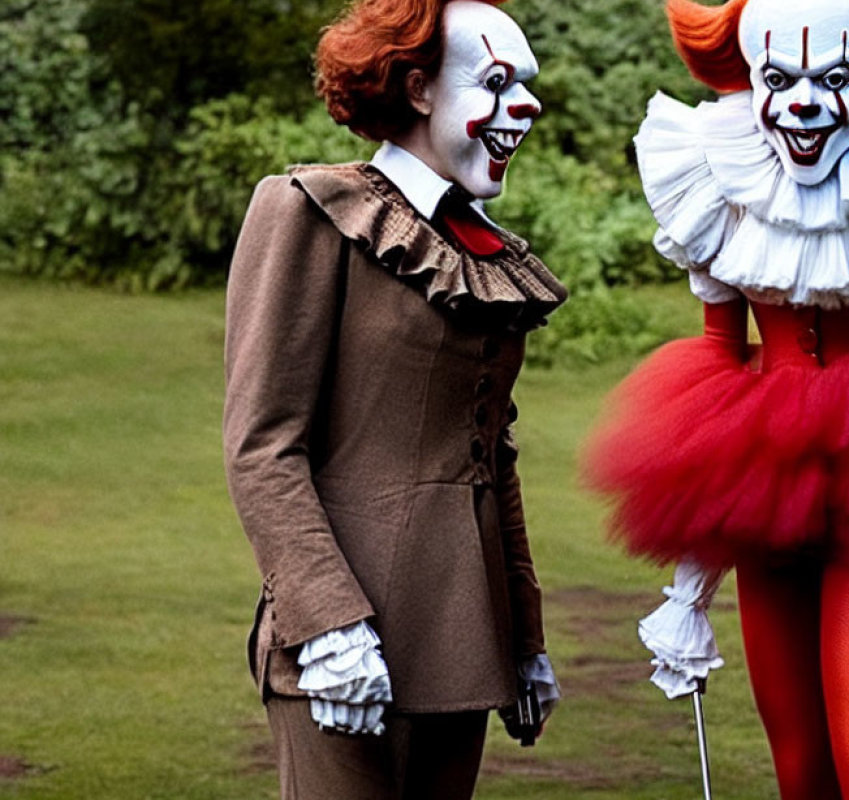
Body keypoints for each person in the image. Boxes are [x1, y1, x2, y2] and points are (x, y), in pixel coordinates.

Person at [584, 0, 849, 798]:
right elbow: (717, 348)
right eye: (778, 78)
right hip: (767, 475)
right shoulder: (716, 161)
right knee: (799, 769)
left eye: (835, 77)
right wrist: (697, 526)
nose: (802, 104)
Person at [223, 1, 566, 797]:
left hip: (465, 633)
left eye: (528, 87)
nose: (527, 106)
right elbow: (263, 446)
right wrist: (328, 621)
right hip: (340, 642)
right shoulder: (308, 211)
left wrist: (523, 632)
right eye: (497, 82)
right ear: (416, 89)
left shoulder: (481, 248)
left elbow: (490, 453)